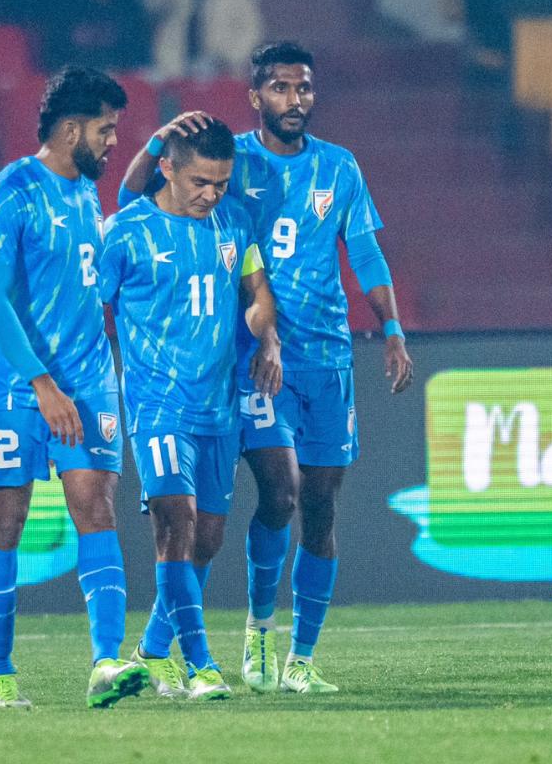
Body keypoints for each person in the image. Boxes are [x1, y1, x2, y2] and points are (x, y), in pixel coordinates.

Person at [119, 41, 413, 695]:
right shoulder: (228, 160)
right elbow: (136, 192)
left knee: (320, 504)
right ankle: (255, 631)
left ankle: (299, 660)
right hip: (254, 359)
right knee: (278, 492)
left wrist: (390, 330)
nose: (295, 100)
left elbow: (365, 254)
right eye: (280, 88)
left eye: (304, 88)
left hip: (327, 358)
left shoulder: (340, 168)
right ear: (255, 96)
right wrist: (162, 136)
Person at [0, 65, 148, 710]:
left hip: (91, 382)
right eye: (105, 130)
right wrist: (41, 382)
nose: (111, 143)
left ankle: (105, 662)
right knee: (6, 521)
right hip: (17, 389)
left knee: (95, 511)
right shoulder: (10, 192)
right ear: (70, 128)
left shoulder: (86, 195)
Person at [100, 118, 282, 701]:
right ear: (169, 169)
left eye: (222, 183)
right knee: (175, 522)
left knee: (207, 537)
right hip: (157, 404)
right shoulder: (125, 232)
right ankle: (202, 664)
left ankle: (152, 654)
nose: (212, 194)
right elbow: (88, 308)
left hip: (219, 404)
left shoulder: (235, 221)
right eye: (201, 182)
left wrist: (268, 337)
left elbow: (256, 293)